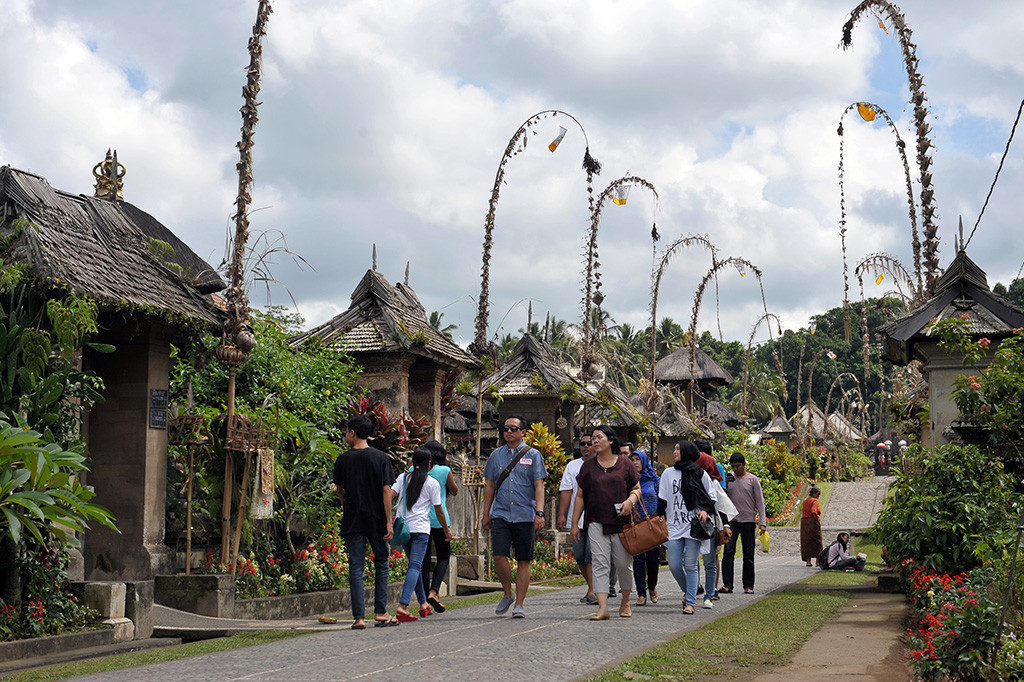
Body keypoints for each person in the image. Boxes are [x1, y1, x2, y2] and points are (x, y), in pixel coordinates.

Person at [333, 414, 397, 629]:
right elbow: (386, 490)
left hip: (353, 519)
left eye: (347, 431)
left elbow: (339, 489)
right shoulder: (381, 458)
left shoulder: (343, 459)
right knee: (381, 563)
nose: (346, 435)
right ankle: (380, 612)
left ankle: (359, 618)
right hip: (377, 519)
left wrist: (346, 503)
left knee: (356, 567)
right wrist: (389, 522)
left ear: (352, 432)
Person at [572, 425, 640, 620]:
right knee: (600, 564)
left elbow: (636, 488)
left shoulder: (625, 464)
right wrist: (575, 524)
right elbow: (580, 496)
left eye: (599, 437)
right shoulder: (588, 467)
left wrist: (629, 502)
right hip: (596, 521)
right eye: (593, 438)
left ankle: (625, 600)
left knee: (622, 563)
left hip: (621, 523)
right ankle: (603, 608)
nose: (594, 441)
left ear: (610, 440)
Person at [482, 415, 547, 618]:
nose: (508, 431)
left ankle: (519, 604)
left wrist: (539, 512)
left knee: (523, 559)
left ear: (523, 432)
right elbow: (490, 485)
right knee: (499, 555)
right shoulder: (495, 456)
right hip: (501, 513)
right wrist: (486, 514)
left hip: (525, 514)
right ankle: (508, 593)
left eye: (513, 428)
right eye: (505, 428)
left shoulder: (534, 455)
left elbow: (539, 485)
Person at [390, 446, 452, 622]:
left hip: (404, 529)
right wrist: (446, 531)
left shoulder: (402, 478)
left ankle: (424, 603)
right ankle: (403, 606)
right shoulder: (432, 483)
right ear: (430, 464)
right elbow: (439, 512)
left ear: (412, 462)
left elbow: (389, 495)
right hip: (420, 529)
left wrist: (389, 518)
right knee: (415, 567)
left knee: (414, 566)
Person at [659, 441, 717, 613]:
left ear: (686, 452)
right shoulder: (668, 474)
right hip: (674, 525)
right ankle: (688, 591)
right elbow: (662, 499)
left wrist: (705, 510)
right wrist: (659, 519)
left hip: (694, 526)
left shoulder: (700, 474)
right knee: (674, 565)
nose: (674, 452)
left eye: (678, 449)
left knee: (690, 564)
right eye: (674, 448)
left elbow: (711, 496)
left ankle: (690, 603)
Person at [419, 440, 458, 612]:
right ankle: (434, 592)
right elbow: (455, 490)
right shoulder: (444, 471)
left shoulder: (414, 470)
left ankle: (423, 598)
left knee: (424, 559)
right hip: (440, 520)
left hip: (421, 520)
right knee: (443, 557)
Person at [558, 434, 597, 604]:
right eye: (583, 444)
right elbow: (566, 491)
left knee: (591, 555)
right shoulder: (572, 466)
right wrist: (562, 514)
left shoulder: (603, 463)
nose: (586, 446)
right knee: (580, 555)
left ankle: (593, 590)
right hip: (577, 519)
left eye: (590, 443)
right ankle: (591, 586)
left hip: (597, 518)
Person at [720, 452, 766, 595]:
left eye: (738, 466)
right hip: (732, 521)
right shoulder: (729, 480)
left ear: (744, 465)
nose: (735, 469)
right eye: (733, 466)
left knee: (748, 554)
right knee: (728, 551)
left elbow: (760, 501)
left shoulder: (753, 480)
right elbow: (722, 497)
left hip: (748, 520)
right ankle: (727, 584)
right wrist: (725, 484)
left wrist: (762, 522)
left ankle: (748, 585)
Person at [628, 449, 661, 606]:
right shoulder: (627, 480)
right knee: (638, 559)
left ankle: (652, 587)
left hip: (652, 524)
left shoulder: (655, 480)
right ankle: (641, 593)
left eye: (637, 459)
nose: (634, 462)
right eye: (632, 459)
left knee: (653, 560)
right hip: (635, 524)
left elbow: (662, 500)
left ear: (644, 461)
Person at [693, 439, 723, 601]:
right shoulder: (688, 479)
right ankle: (698, 588)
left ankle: (709, 592)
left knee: (709, 560)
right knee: (694, 560)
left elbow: (722, 504)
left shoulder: (713, 483)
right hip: (692, 524)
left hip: (710, 525)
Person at [800, 487, 824, 567]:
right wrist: (817, 521)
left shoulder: (806, 501)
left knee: (806, 541)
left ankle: (808, 561)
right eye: (818, 494)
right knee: (817, 541)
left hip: (804, 522)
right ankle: (818, 561)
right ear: (814, 494)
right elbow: (813, 511)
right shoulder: (814, 501)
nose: (818, 496)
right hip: (812, 521)